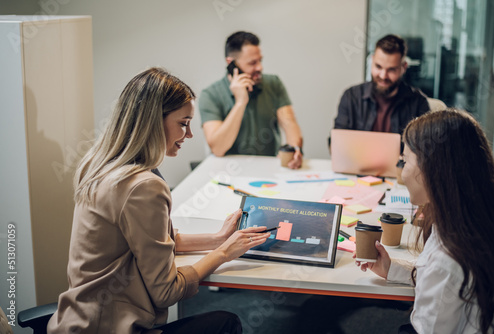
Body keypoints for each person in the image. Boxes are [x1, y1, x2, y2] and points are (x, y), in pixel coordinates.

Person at [47, 67, 271, 334]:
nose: (188, 135)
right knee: (227, 321)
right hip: (112, 328)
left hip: (76, 321)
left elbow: (151, 243)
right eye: (183, 123)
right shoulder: (144, 186)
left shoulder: (99, 166)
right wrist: (223, 254)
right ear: (154, 121)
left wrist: (218, 238)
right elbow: (167, 291)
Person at [355, 109, 494, 333]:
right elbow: (442, 286)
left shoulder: (448, 257)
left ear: (432, 170)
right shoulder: (470, 223)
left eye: (405, 161)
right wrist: (391, 268)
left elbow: (441, 280)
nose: (402, 174)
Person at [199, 31, 303, 169]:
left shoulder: (273, 83)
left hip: (269, 168)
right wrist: (240, 102)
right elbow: (218, 148)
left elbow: (289, 122)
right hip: (229, 172)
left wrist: (295, 148)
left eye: (260, 60)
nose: (260, 67)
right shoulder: (210, 95)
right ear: (232, 64)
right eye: (252, 63)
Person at [334, 34, 430, 135]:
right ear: (372, 61)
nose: (383, 76)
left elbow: (424, 147)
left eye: (391, 70)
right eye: (378, 66)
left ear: (404, 68)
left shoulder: (418, 103)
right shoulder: (351, 97)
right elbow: (336, 142)